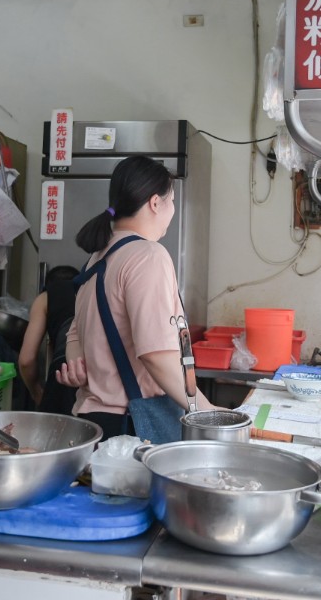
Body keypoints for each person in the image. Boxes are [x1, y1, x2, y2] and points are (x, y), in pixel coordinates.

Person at [55, 155, 216, 439]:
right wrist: (205, 411)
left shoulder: (98, 257)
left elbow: (74, 334)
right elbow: (155, 355)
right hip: (131, 424)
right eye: (173, 200)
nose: (173, 208)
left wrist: (78, 366)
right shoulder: (147, 256)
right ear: (156, 203)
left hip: (92, 423)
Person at [16, 264, 80, 415]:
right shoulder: (92, 289)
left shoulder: (45, 298)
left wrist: (36, 392)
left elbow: (26, 360)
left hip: (64, 374)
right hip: (99, 377)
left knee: (57, 436)